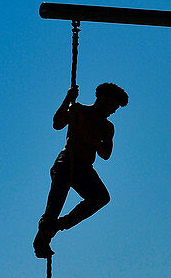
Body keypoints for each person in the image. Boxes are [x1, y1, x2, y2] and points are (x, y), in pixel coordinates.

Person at [33, 82, 128, 258]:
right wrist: (68, 98)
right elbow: (57, 123)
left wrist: (94, 142)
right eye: (113, 106)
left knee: (101, 197)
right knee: (54, 208)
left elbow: (106, 154)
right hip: (66, 162)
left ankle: (60, 225)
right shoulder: (79, 111)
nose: (113, 111)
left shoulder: (107, 127)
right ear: (103, 99)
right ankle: (43, 239)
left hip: (84, 168)